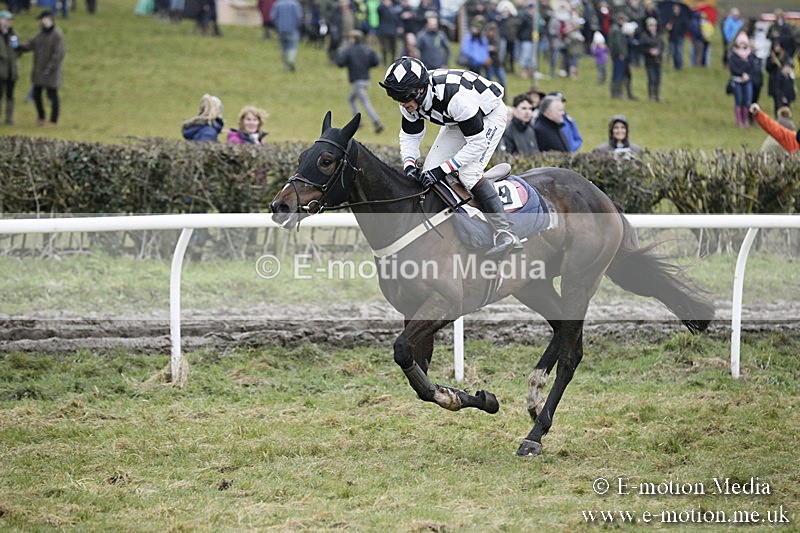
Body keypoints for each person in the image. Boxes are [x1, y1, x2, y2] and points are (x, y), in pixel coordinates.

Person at [378, 56, 522, 258]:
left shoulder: (456, 99)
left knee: (468, 173)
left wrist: (443, 169)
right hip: (457, 121)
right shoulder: (410, 100)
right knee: (428, 172)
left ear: (420, 89)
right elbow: (410, 135)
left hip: (488, 116)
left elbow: (477, 143)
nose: (401, 103)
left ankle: (505, 231)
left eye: (404, 96)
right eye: (396, 97)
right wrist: (409, 165)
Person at [17, 10, 65, 127]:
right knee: (37, 95)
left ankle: (53, 120)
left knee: (52, 96)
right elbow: (30, 45)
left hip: (51, 72)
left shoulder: (57, 35)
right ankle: (41, 117)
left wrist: (50, 67)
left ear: (49, 19)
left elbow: (58, 54)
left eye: (43, 19)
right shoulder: (40, 34)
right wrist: (17, 46)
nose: (41, 21)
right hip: (39, 71)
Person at [336, 29, 384, 134]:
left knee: (365, 102)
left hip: (357, 80)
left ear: (353, 39)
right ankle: (358, 121)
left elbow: (340, 62)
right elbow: (375, 61)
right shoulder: (367, 49)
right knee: (351, 99)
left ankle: (376, 122)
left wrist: (339, 53)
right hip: (366, 79)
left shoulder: (349, 50)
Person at [728, 30, 754, 128]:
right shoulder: (734, 55)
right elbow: (733, 68)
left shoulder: (750, 55)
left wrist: (747, 75)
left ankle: (746, 120)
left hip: (747, 80)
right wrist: (741, 74)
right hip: (737, 80)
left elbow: (752, 67)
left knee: (747, 101)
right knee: (739, 100)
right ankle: (740, 122)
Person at [270, 0, 302, 71]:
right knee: (292, 46)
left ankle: (286, 66)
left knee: (283, 48)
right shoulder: (295, 4)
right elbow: (298, 17)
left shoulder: (277, 4)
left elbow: (273, 17)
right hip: (292, 29)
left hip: (281, 29)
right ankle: (291, 60)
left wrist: (277, 26)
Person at [765, 41, 796, 116]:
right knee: (777, 103)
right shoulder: (771, 56)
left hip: (785, 82)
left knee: (787, 104)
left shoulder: (785, 55)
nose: (777, 48)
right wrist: (772, 63)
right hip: (775, 82)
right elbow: (767, 68)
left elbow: (791, 65)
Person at [0, 10, 19, 125]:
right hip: (0, 70)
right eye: (6, 20)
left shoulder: (13, 34)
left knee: (10, 95)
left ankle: (9, 118)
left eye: (9, 20)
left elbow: (16, 50)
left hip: (11, 70)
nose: (8, 22)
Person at [639, 16, 664, 102]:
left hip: (658, 60)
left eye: (654, 26)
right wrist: (649, 51)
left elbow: (662, 45)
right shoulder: (644, 36)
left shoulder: (658, 35)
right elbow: (641, 48)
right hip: (649, 61)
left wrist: (659, 51)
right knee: (651, 78)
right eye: (651, 25)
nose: (652, 27)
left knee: (658, 78)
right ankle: (651, 96)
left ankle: (657, 95)